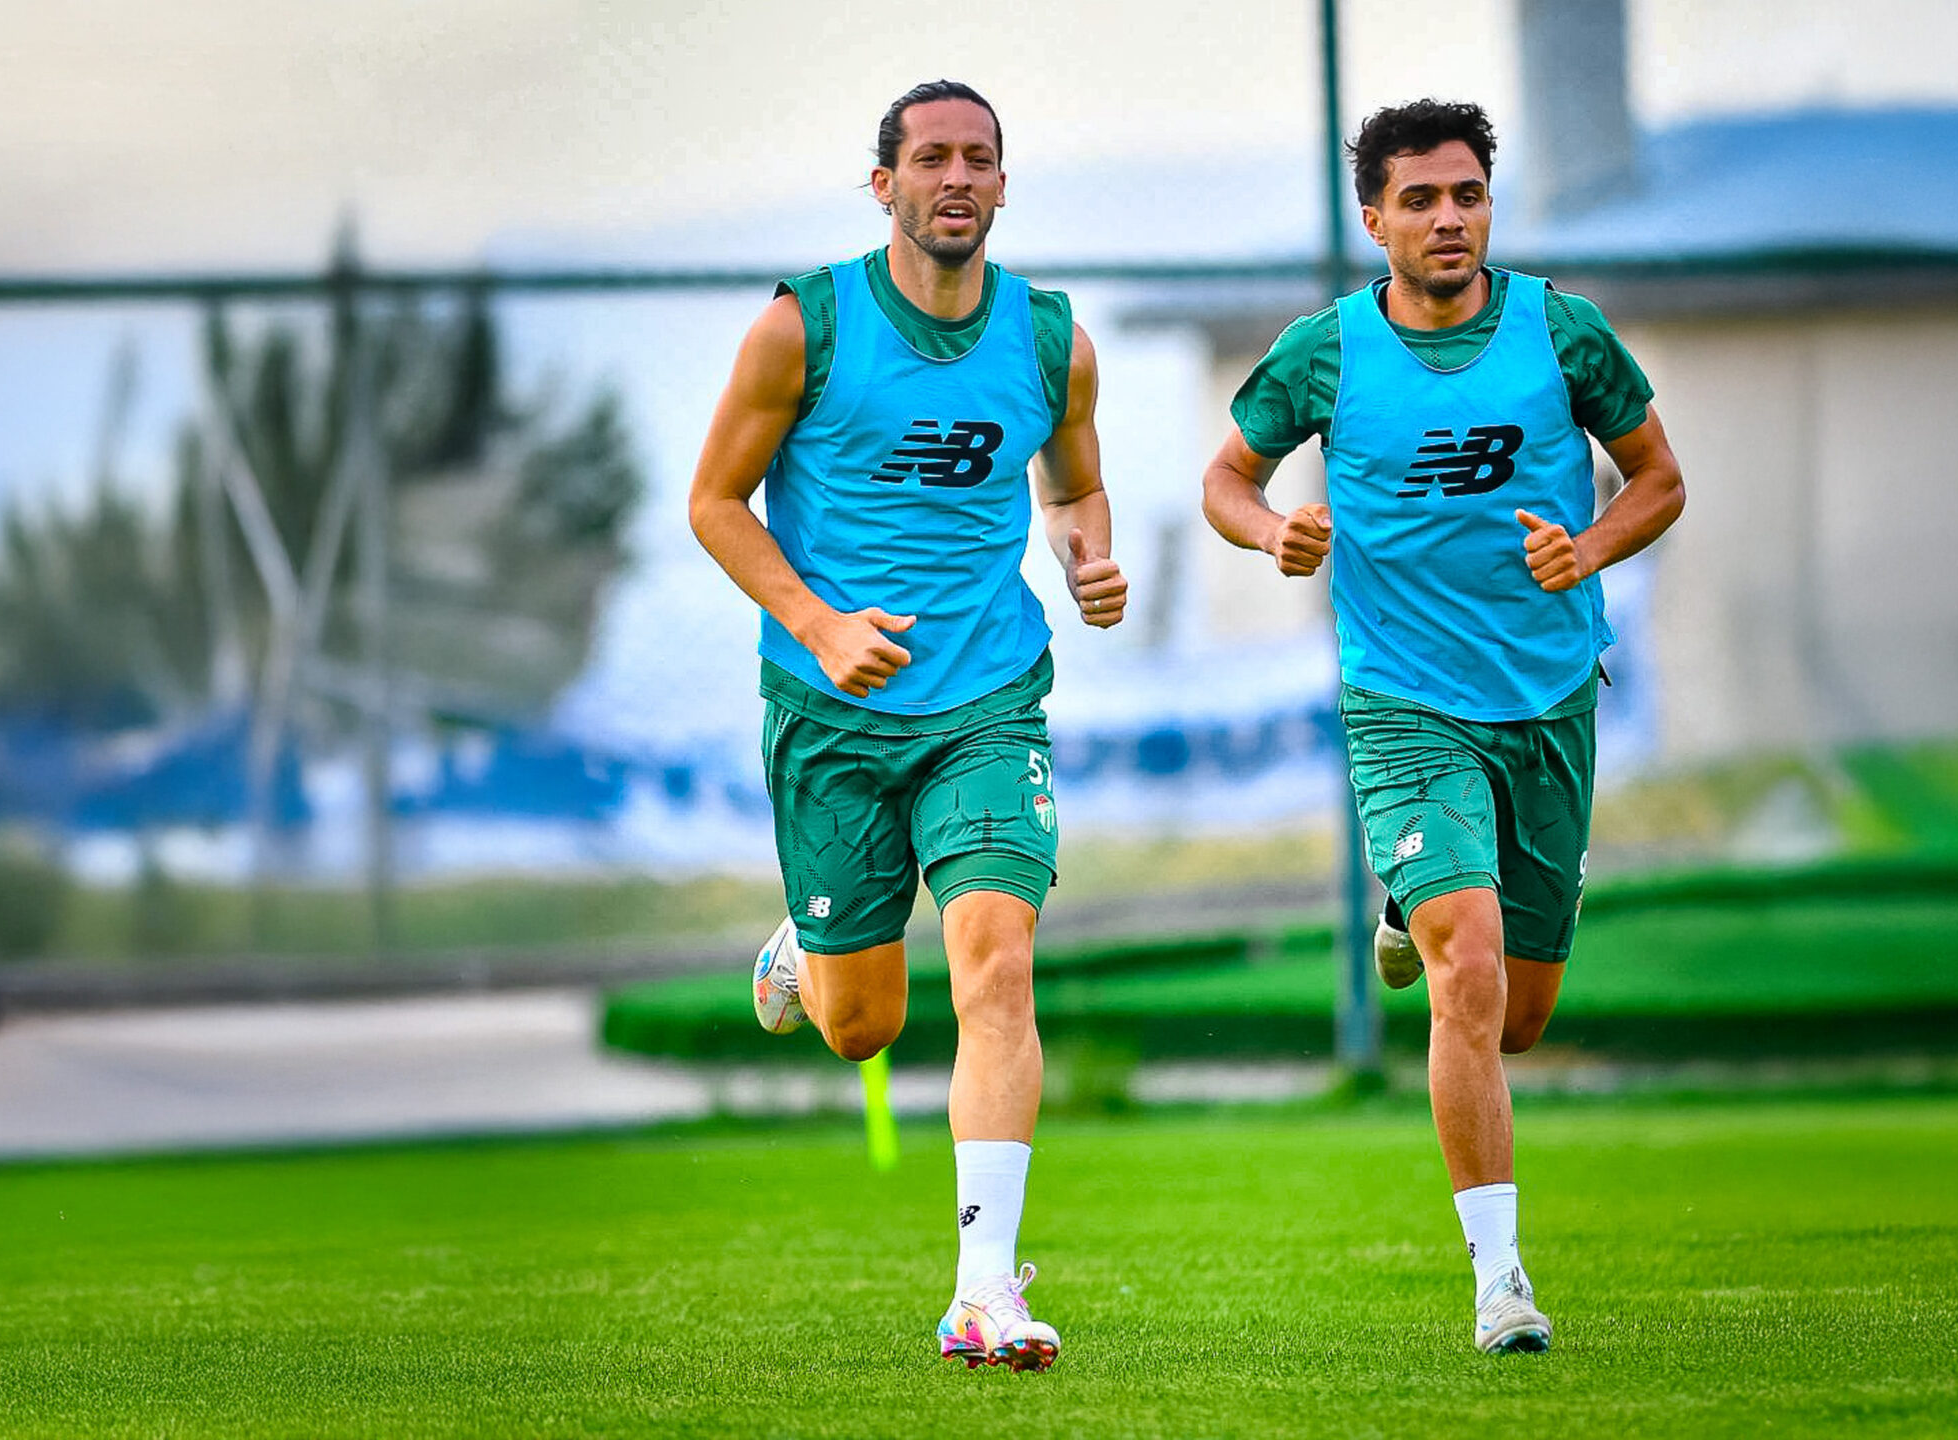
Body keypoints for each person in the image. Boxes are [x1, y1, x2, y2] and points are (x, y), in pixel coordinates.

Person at [1200, 98, 1685, 1354]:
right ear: (1374, 221)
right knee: (1465, 966)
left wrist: (1587, 549)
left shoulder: (1562, 332)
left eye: (1466, 194)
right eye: (1418, 199)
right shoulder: (1325, 351)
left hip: (1548, 702)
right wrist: (1273, 531)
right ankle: (1499, 1280)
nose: (1448, 218)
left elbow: (1660, 480)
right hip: (1405, 704)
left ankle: (1405, 903)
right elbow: (1225, 479)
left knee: (1517, 1016)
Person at [687, 78, 1127, 1373]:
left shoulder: (1051, 341)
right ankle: (811, 948)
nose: (956, 178)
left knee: (995, 962)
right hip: (832, 709)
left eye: (978, 159)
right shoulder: (802, 328)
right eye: (930, 158)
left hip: (988, 700)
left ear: (1003, 184)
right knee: (862, 1027)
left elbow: (1076, 490)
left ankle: (983, 1293)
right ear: (884, 184)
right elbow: (715, 504)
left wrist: (1088, 559)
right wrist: (820, 625)